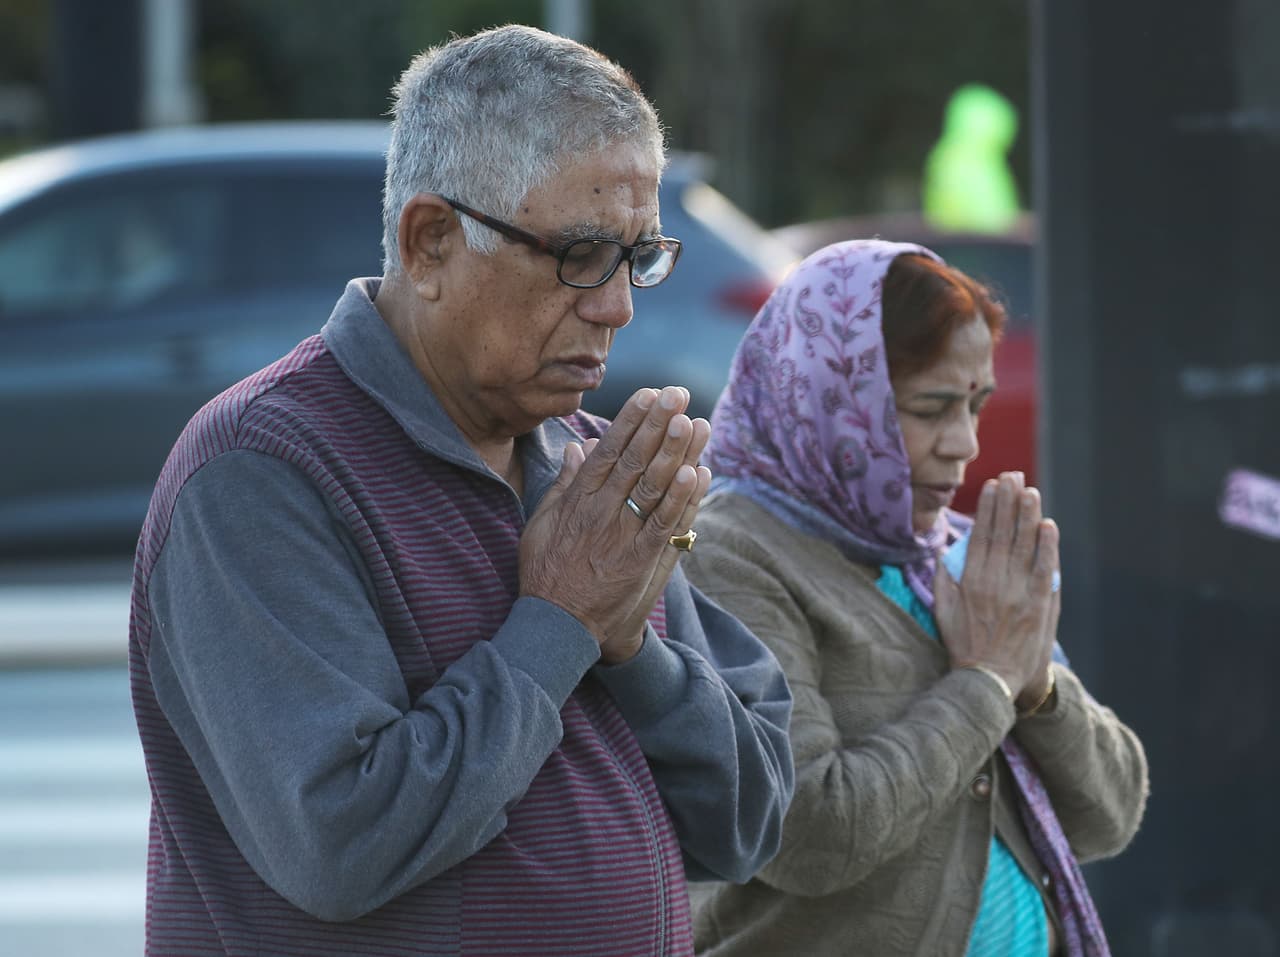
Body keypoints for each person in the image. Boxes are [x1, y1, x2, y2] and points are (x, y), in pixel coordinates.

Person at [128, 25, 793, 957]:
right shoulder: (259, 470)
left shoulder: (592, 468)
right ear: (432, 240)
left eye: (638, 256)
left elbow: (748, 822)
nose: (617, 304)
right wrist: (558, 621)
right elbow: (341, 843)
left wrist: (629, 643)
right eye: (581, 254)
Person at [683, 239, 1149, 956]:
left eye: (976, 405)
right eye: (932, 408)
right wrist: (986, 682)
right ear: (832, 398)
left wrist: (1035, 685)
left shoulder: (950, 554)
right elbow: (808, 834)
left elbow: (1109, 816)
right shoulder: (733, 554)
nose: (964, 444)